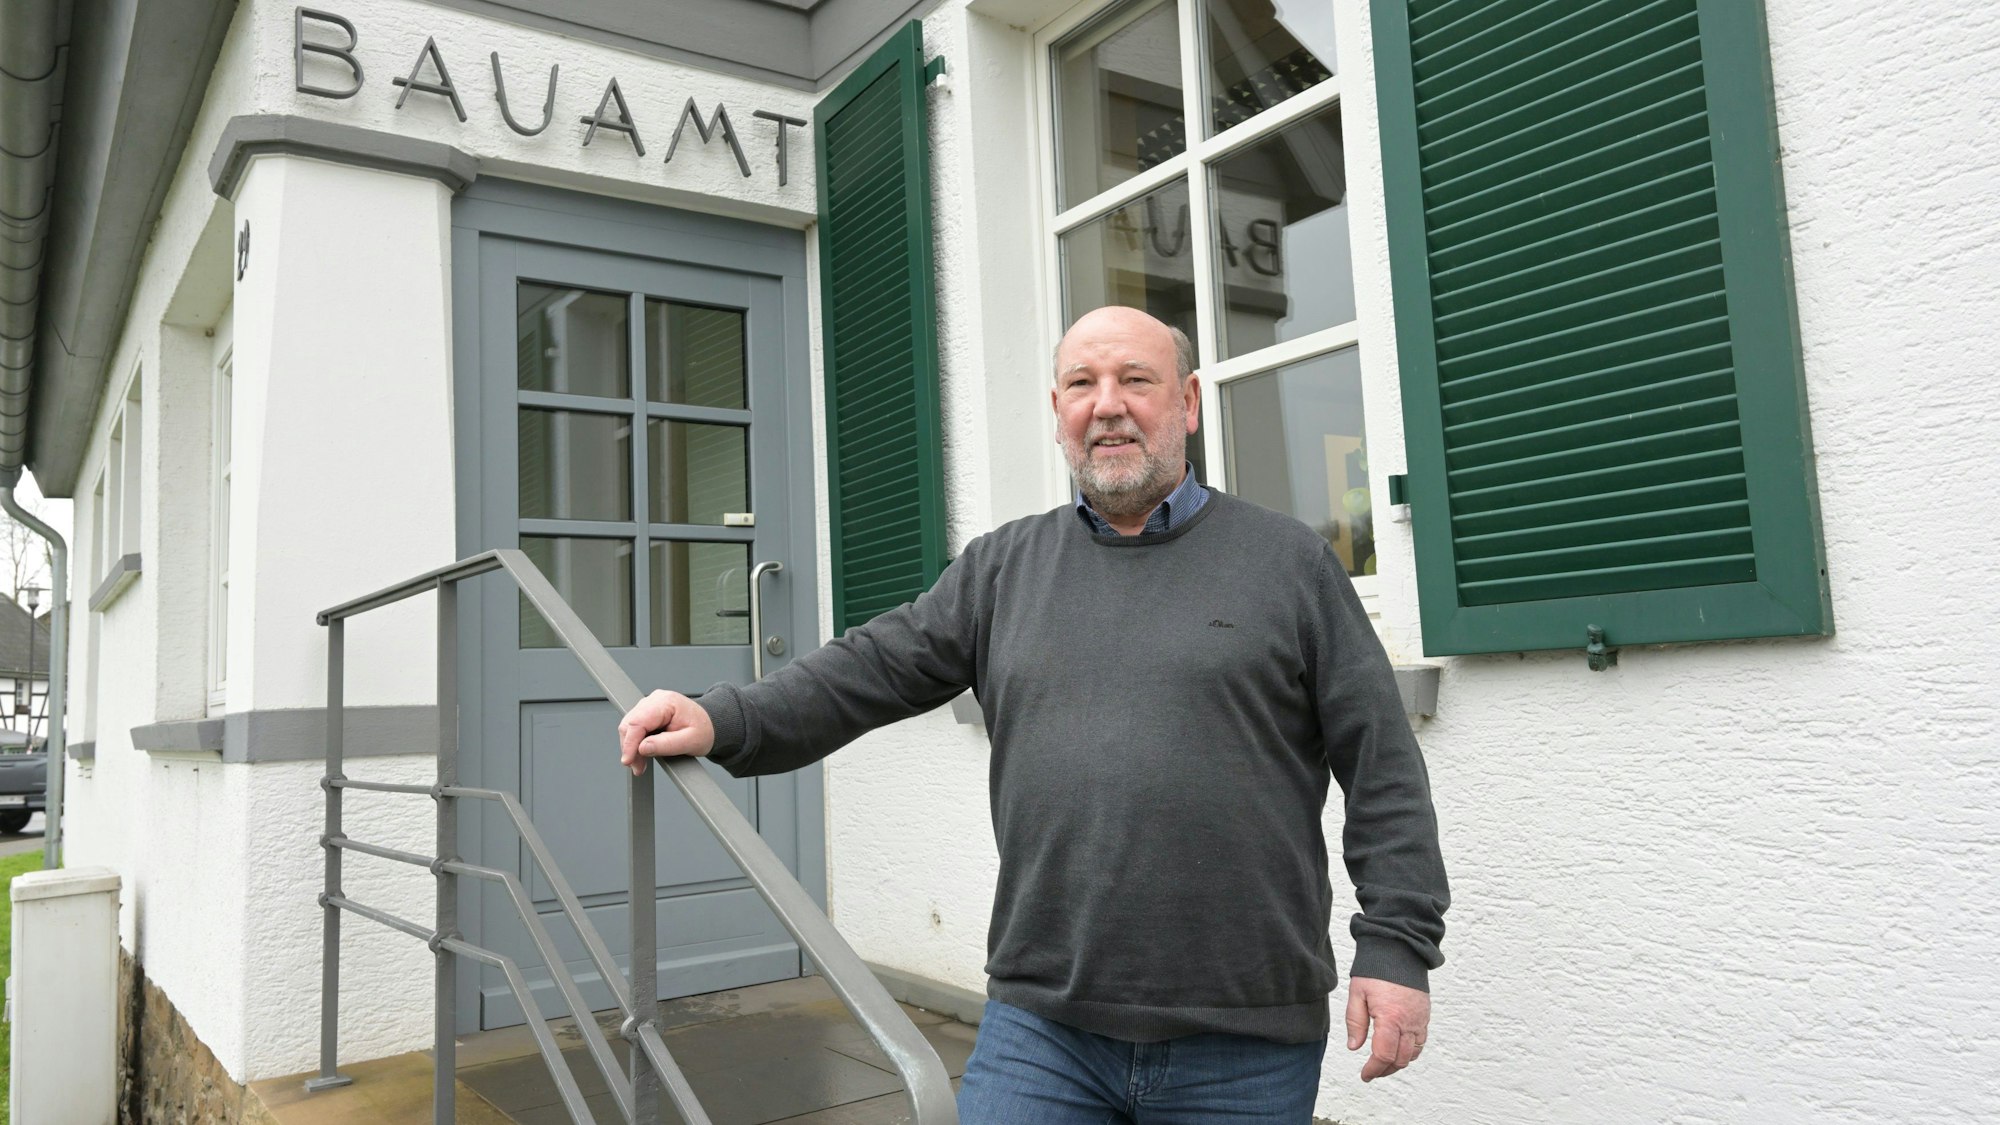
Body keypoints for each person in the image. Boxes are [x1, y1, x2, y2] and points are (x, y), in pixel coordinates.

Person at [618, 306, 1449, 1123]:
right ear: (1059, 413)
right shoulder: (1003, 567)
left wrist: (1396, 945)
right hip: (1044, 1029)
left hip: (1245, 1036)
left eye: (1136, 379)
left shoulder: (1289, 562)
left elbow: (1380, 760)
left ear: (1188, 403)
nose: (1107, 403)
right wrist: (723, 717)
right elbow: (868, 668)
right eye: (1081, 383)